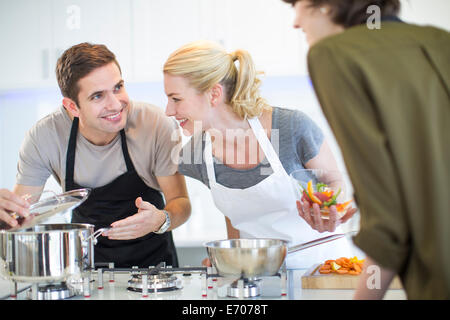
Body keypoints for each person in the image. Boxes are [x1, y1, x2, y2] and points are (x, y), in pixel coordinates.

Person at [282, 0, 450, 299]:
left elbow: (388, 221)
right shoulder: (439, 40)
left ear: (327, 5)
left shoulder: (334, 55)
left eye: (298, 4)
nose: (295, 21)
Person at [163, 40, 357, 269]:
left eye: (176, 99)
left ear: (213, 93)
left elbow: (334, 181)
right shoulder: (195, 154)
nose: (169, 110)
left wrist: (330, 209)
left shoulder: (290, 128)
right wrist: (228, 263)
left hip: (323, 270)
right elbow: (234, 216)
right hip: (259, 279)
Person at [8, 42, 191, 268]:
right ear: (72, 107)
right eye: (97, 96)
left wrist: (160, 220)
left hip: (155, 270)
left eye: (118, 87)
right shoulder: (44, 137)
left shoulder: (155, 124)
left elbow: (181, 204)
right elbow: (20, 219)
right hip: (85, 269)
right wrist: (8, 216)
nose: (115, 104)